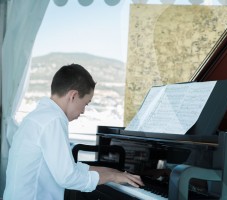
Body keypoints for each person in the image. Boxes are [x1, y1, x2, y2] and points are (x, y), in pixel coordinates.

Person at [3, 64, 144, 200]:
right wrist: (112, 177)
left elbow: (69, 168)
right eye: (86, 103)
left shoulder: (40, 116)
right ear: (73, 96)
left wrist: (112, 172)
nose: (83, 111)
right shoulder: (53, 120)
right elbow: (68, 177)